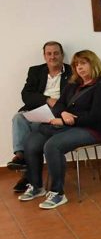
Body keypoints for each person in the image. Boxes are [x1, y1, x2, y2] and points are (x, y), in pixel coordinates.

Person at [19, 50, 101, 209]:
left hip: (92, 130)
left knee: (53, 145)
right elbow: (59, 105)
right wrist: (62, 113)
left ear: (94, 64)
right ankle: (36, 186)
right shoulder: (73, 85)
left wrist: (66, 121)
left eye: (84, 63)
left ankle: (57, 193)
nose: (80, 68)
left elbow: (96, 117)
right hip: (70, 125)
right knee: (32, 141)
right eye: (77, 65)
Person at [9, 41, 72, 192]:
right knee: (18, 118)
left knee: (34, 131)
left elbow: (74, 97)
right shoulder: (35, 71)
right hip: (37, 110)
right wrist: (47, 100)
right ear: (44, 56)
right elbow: (26, 95)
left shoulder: (72, 72)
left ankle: (28, 176)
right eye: (49, 53)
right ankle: (20, 156)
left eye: (56, 53)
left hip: (58, 113)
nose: (52, 56)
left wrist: (57, 106)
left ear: (62, 55)